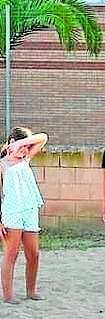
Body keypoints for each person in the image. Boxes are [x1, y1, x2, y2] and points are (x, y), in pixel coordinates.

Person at [0, 127, 48, 304]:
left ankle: (31, 291)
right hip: (12, 211)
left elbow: (43, 138)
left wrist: (23, 143)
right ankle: (9, 295)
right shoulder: (2, 164)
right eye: (22, 145)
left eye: (28, 146)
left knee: (34, 253)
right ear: (12, 143)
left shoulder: (26, 158)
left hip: (30, 209)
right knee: (11, 253)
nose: (26, 150)